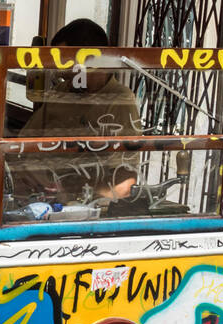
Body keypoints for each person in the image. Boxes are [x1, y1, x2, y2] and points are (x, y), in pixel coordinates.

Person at [15, 18, 142, 203]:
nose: (61, 72)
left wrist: (73, 192)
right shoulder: (62, 92)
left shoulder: (119, 100)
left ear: (89, 60)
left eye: (66, 62)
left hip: (83, 205)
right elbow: (24, 143)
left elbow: (124, 183)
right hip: (40, 195)